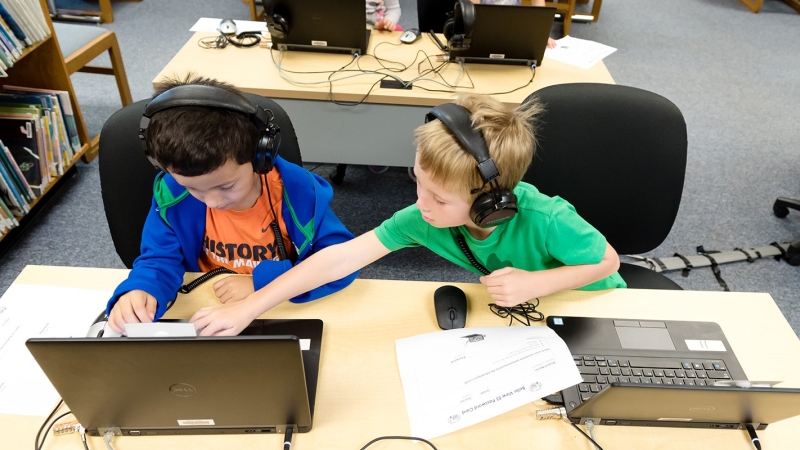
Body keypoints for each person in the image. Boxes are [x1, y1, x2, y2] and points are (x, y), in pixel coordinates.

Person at [191, 93, 626, 337]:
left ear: (490, 204)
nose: (421, 204)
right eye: (417, 180)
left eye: (439, 198)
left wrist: (537, 282)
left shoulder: (546, 218)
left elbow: (608, 262)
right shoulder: (423, 216)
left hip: (595, 303)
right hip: (527, 316)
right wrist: (250, 307)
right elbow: (337, 259)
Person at [105, 75, 358, 333]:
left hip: (281, 305)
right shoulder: (172, 194)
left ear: (259, 158)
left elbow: (343, 261)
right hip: (208, 306)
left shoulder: (298, 194)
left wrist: (261, 283)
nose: (213, 201)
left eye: (226, 186)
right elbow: (158, 258)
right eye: (191, 187)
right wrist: (143, 288)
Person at [471, 0, 557, 48]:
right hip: (483, 31)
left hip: (512, 30)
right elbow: (472, 9)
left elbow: (538, 3)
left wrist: (542, 34)